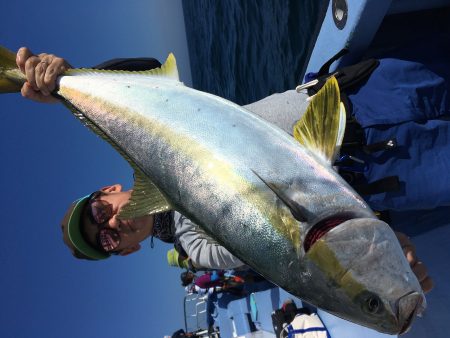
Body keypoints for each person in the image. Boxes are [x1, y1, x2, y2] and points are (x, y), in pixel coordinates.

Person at [15, 47, 433, 293]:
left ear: (107, 189)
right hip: (385, 168)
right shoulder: (196, 245)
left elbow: (147, 73)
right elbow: (291, 243)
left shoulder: (143, 143)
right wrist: (376, 254)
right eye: (104, 241)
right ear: (124, 251)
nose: (112, 226)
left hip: (356, 94)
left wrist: (64, 85)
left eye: (97, 215)